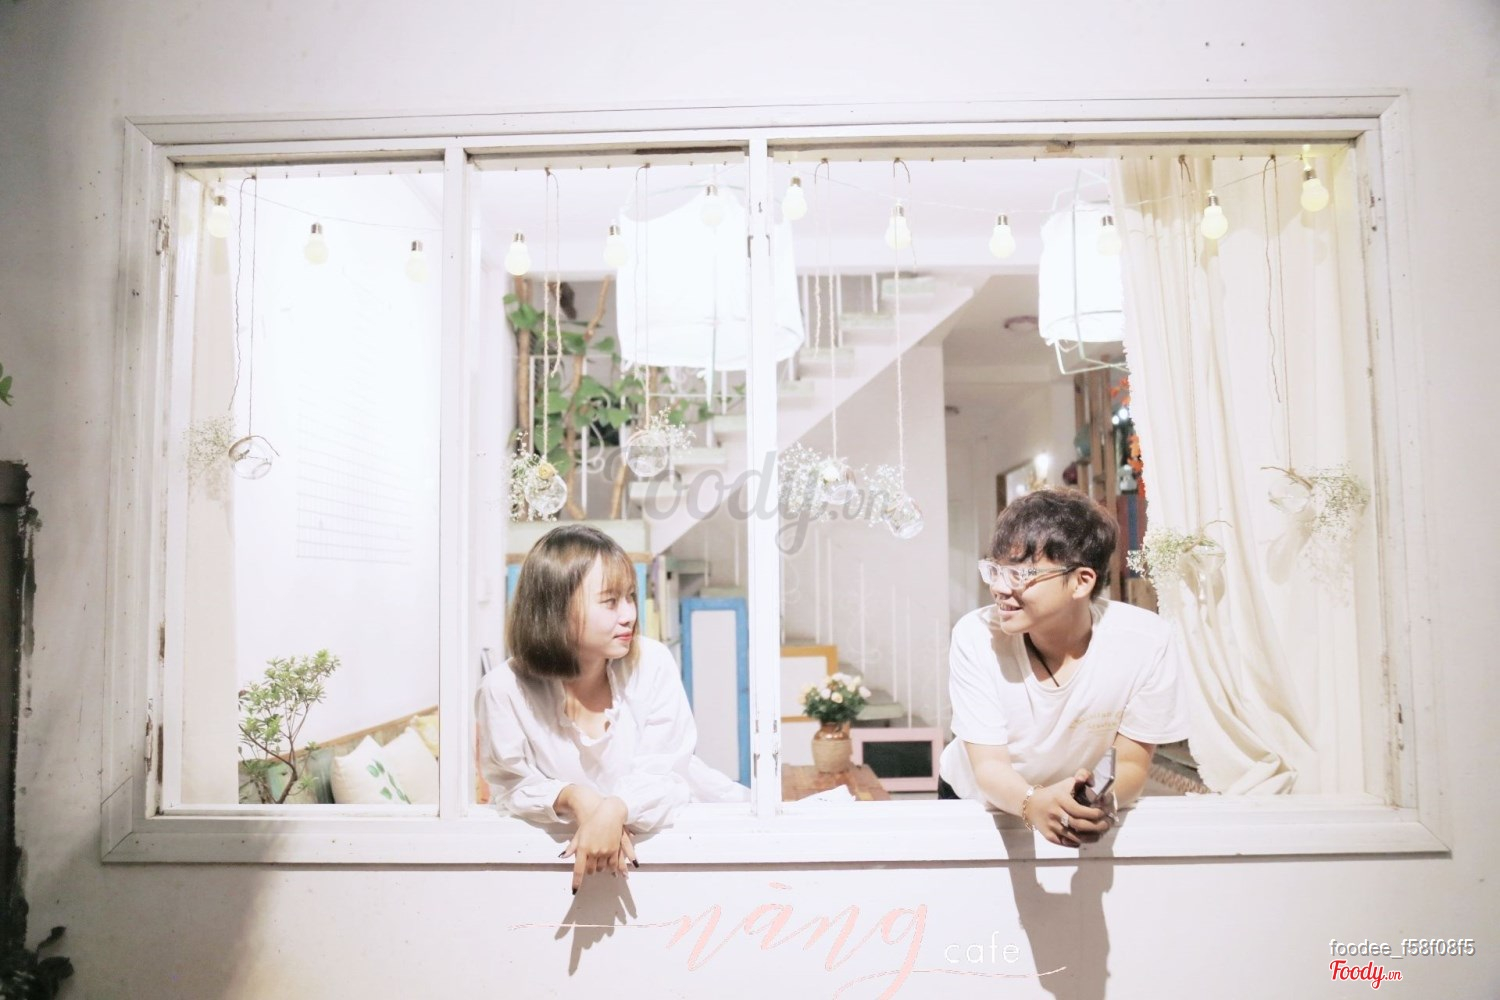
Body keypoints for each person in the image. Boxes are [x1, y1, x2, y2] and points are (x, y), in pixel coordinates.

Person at [477, 523, 747, 893]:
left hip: (676, 838)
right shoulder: (503, 689)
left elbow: (666, 770)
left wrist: (614, 809)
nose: (629, 615)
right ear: (555, 608)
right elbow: (510, 787)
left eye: (630, 597)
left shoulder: (652, 661)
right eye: (610, 601)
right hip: (562, 867)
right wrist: (576, 797)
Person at [938, 488, 1190, 847]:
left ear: (1081, 581)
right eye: (995, 570)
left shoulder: (1146, 642)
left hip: (1066, 797)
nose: (999, 588)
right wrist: (1033, 802)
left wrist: (1099, 802)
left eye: (1021, 574)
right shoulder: (977, 636)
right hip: (976, 797)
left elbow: (1132, 763)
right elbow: (989, 767)